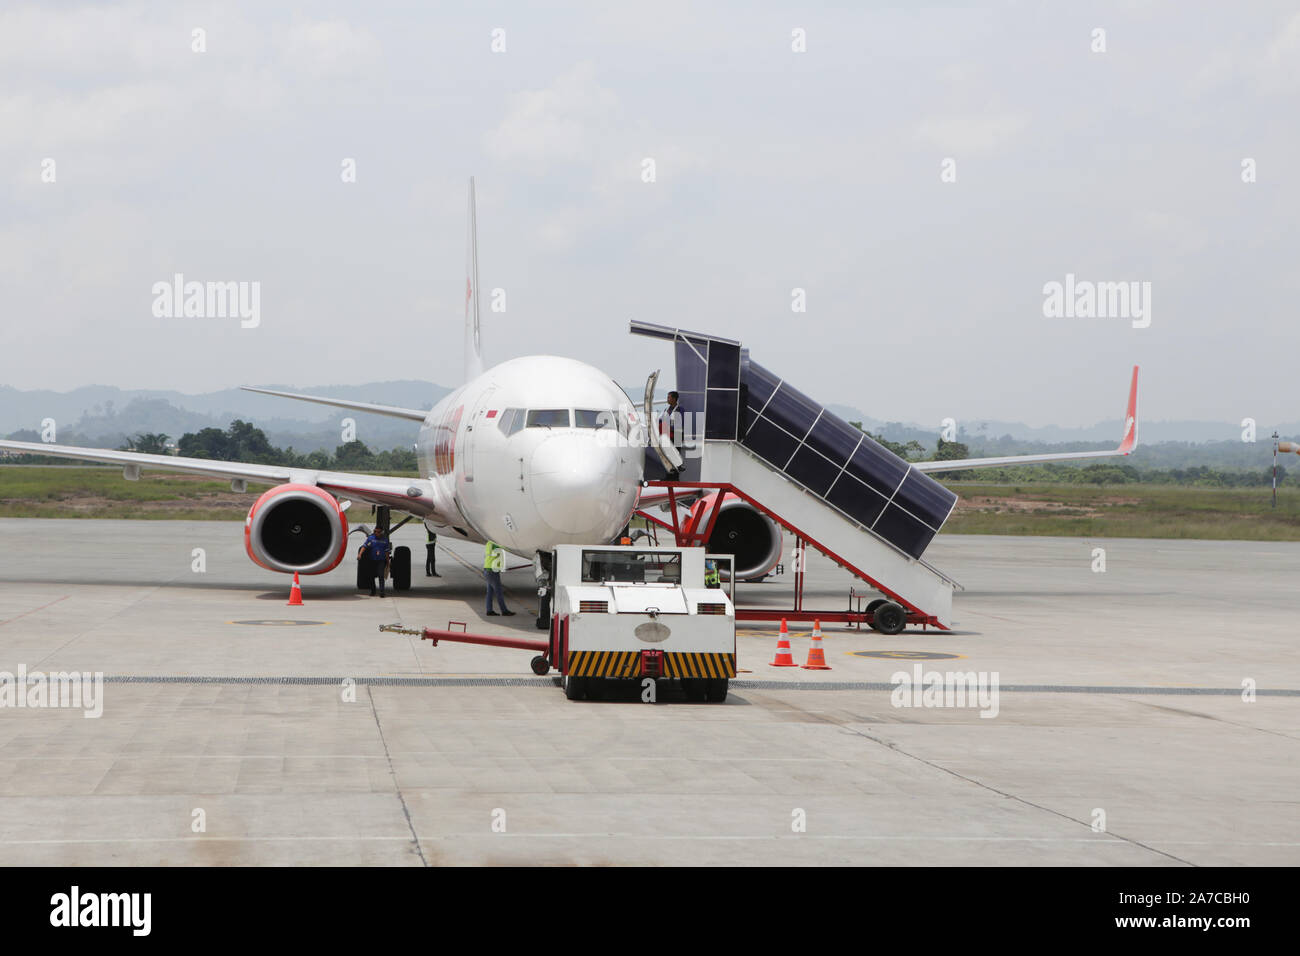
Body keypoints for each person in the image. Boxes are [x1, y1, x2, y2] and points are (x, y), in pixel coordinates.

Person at [483, 540, 515, 616]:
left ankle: (489, 610)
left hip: (487, 569)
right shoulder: (494, 543)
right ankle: (504, 611)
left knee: (490, 592)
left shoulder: (488, 543)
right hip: (492, 571)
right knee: (499, 592)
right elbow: (506, 548)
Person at [658, 391, 684, 479]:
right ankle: (665, 477)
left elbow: (680, 424)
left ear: (674, 399)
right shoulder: (666, 410)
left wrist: (669, 428)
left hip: (676, 438)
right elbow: (661, 421)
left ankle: (675, 479)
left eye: (669, 397)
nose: (667, 399)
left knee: (675, 457)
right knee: (666, 457)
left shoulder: (680, 410)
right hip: (666, 438)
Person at [359, 527, 391, 597]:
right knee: (371, 576)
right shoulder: (371, 539)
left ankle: (382, 592)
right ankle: (373, 591)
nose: (377, 533)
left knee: (381, 575)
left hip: (381, 561)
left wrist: (388, 562)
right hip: (372, 560)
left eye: (378, 532)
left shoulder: (385, 540)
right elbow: (364, 546)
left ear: (381, 532)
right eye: (375, 531)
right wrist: (360, 554)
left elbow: (387, 552)